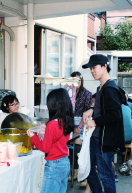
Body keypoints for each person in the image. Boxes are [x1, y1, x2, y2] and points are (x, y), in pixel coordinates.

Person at [82, 54, 125, 193]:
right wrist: (91, 110)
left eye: (94, 67)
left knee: (106, 176)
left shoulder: (109, 89)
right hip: (96, 137)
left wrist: (94, 121)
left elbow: (114, 115)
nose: (92, 71)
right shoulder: (101, 88)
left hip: (103, 139)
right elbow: (103, 109)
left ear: (105, 66)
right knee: (88, 171)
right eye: (90, 69)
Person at [27, 88, 74, 193]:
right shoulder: (67, 121)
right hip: (65, 162)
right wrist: (43, 130)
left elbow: (45, 147)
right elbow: (57, 139)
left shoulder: (52, 124)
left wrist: (32, 137)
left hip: (54, 165)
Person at [68, 71, 93, 188]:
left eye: (78, 79)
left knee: (80, 150)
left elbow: (87, 113)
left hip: (82, 123)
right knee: (70, 149)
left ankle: (84, 176)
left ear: (81, 80)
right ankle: (74, 172)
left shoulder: (87, 93)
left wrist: (79, 127)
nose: (76, 82)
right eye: (74, 79)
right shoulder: (68, 92)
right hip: (69, 122)